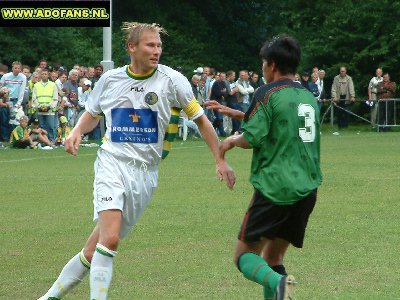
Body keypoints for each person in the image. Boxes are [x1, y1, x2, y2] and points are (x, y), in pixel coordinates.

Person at [37, 22, 235, 300]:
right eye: (150, 45)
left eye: (159, 46)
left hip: (146, 174)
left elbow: (201, 121)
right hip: (112, 163)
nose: (157, 51)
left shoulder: (173, 80)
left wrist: (219, 159)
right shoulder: (111, 79)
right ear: (132, 47)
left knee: (95, 250)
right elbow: (92, 112)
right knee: (111, 239)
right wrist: (76, 131)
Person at [205, 35, 322, 300]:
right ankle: (279, 285)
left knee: (244, 256)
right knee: (273, 257)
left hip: (275, 187)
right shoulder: (307, 95)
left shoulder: (266, 92)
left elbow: (251, 137)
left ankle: (279, 285)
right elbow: (281, 121)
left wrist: (231, 141)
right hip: (307, 188)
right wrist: (233, 112)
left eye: (263, 63)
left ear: (271, 65)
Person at [31, 69, 58, 142]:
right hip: (40, 110)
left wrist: (49, 106)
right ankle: (44, 141)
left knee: (51, 126)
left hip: (50, 110)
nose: (44, 75)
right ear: (40, 75)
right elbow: (34, 98)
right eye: (42, 74)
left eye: (45, 74)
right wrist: (39, 106)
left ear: (48, 75)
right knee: (42, 127)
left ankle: (52, 141)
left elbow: (55, 98)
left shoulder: (53, 85)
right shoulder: (36, 85)